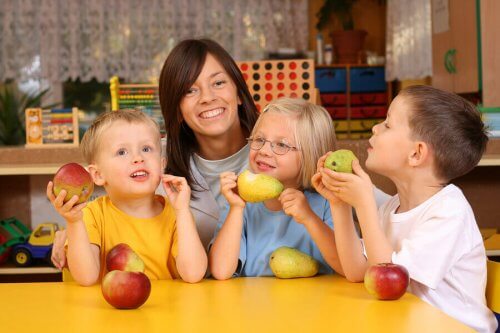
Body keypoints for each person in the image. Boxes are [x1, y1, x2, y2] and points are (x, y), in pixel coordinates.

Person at [51, 38, 389, 268]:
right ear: (176, 108)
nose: (207, 98)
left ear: (239, 93)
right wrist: (75, 230)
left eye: (218, 83)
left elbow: (381, 206)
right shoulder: (155, 161)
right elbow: (123, 208)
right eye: (190, 90)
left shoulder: (280, 152)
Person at [312, 85, 497, 333]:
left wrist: (365, 204)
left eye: (387, 124)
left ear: (416, 153)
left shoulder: (449, 212)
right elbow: (356, 271)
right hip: (406, 322)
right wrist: (341, 204)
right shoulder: (392, 207)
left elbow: (389, 284)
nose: (375, 128)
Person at [47, 110, 207, 285]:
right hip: (110, 311)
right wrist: (74, 222)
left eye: (146, 149)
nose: (138, 158)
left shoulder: (176, 213)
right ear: (98, 175)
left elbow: (194, 274)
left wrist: (183, 211)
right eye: (122, 152)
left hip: (167, 310)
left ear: (161, 166)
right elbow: (86, 278)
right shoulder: (91, 215)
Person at [209, 98, 344, 279]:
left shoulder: (330, 202)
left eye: (281, 144)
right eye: (259, 139)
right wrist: (236, 208)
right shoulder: (239, 203)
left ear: (312, 154)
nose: (264, 151)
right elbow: (220, 271)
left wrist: (309, 218)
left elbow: (346, 266)